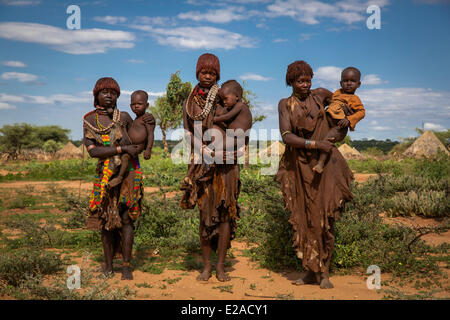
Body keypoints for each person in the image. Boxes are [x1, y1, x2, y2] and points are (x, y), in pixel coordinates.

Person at [276, 61, 353, 289]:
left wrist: (345, 113)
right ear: (291, 82)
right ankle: (310, 270)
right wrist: (315, 144)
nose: (305, 85)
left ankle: (325, 272)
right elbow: (287, 137)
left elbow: (342, 103)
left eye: (308, 80)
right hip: (299, 167)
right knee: (304, 216)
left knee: (324, 218)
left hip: (325, 164)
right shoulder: (285, 104)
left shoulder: (320, 96)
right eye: (300, 81)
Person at [180, 53, 252, 282]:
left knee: (224, 215)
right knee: (204, 214)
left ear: (217, 75)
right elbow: (188, 133)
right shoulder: (190, 103)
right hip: (203, 163)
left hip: (227, 164)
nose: (208, 76)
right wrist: (203, 149)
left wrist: (235, 150)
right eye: (204, 72)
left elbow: (242, 127)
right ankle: (206, 267)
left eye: (212, 73)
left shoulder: (226, 98)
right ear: (197, 73)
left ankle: (221, 266)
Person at [82, 77, 155, 280]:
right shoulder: (89, 120)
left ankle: (126, 266)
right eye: (104, 92)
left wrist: (148, 124)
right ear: (96, 95)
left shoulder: (124, 117)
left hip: (130, 173)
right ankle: (107, 266)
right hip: (104, 175)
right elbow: (93, 151)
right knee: (105, 221)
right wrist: (121, 148)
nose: (109, 95)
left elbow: (138, 138)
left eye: (113, 92)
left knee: (126, 219)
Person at [313, 67, 365, 174]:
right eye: (346, 81)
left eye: (352, 81)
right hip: (328, 122)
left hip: (339, 128)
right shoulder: (337, 93)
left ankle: (321, 163)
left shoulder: (355, 99)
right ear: (341, 82)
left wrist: (349, 119)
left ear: (358, 84)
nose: (349, 83)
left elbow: (361, 112)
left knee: (327, 140)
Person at [108, 90, 155, 188]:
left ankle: (119, 177)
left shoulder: (147, 119)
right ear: (130, 106)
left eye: (139, 104)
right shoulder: (135, 119)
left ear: (147, 106)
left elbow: (151, 134)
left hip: (138, 146)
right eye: (133, 104)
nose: (136, 106)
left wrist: (148, 149)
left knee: (125, 157)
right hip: (129, 145)